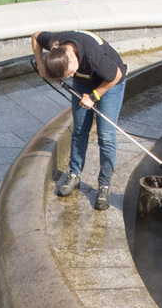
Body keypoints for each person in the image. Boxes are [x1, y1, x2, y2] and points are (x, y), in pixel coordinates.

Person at [32, 29, 128, 210]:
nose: (68, 77)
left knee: (106, 136)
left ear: (70, 56)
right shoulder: (57, 44)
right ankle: (75, 174)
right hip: (84, 79)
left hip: (110, 81)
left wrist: (94, 96)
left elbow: (115, 75)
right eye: (66, 77)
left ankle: (104, 184)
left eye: (68, 73)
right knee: (79, 130)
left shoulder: (93, 55)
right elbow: (36, 36)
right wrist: (40, 65)